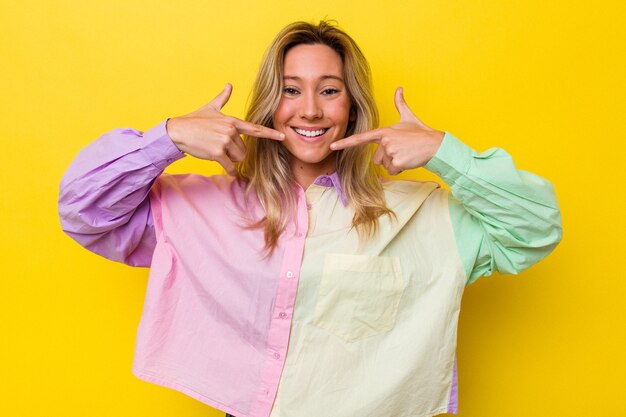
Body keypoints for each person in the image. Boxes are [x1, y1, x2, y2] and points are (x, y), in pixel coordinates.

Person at [58, 20, 562, 417]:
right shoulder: (198, 208)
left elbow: (535, 229)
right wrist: (167, 138)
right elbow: (83, 213)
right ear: (269, 104)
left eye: (329, 90)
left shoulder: (419, 215)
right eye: (291, 89)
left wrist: (442, 152)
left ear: (353, 106)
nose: (311, 111)